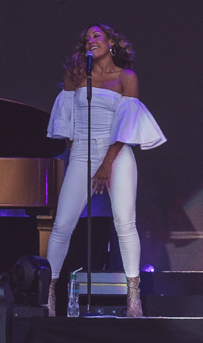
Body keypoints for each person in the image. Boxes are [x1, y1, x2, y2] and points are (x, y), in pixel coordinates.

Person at [45, 24, 166, 318]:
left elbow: (127, 125)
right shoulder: (76, 76)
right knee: (62, 225)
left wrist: (106, 163)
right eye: (87, 38)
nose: (91, 40)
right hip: (83, 152)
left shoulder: (126, 78)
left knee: (125, 222)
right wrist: (77, 153)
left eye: (97, 35)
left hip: (117, 152)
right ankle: (47, 294)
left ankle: (133, 297)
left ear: (111, 42)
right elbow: (67, 118)